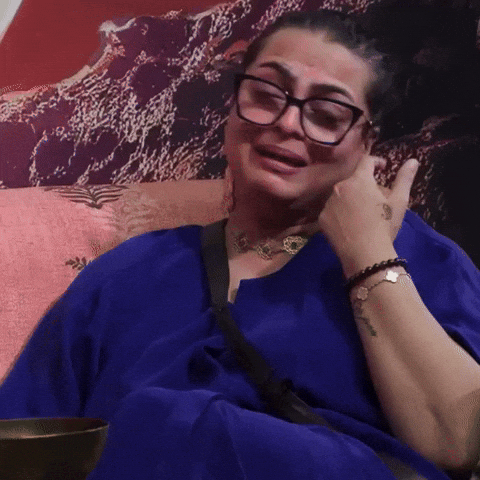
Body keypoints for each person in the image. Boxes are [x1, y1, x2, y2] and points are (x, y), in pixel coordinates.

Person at [1, 9, 480, 480]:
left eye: (327, 114)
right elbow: (20, 441)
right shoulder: (127, 275)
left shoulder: (425, 260)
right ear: (233, 105)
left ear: (365, 143)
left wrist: (367, 253)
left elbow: (457, 444)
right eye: (266, 94)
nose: (288, 123)